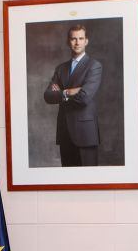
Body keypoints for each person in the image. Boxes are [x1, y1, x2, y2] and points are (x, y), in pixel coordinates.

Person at [43, 24, 102, 167]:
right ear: (68, 41)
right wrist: (68, 92)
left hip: (85, 134)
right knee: (67, 183)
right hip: (65, 133)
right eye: (73, 39)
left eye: (81, 38)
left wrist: (61, 93)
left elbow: (84, 98)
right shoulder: (61, 68)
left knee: (89, 182)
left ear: (86, 41)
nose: (77, 42)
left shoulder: (94, 66)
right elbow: (48, 96)